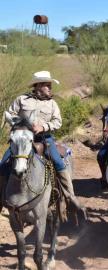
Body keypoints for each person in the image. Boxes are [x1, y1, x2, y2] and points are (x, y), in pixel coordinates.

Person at [0, 71, 86, 216]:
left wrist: (43, 127)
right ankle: (1, 198)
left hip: (44, 139)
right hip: (22, 139)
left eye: (49, 85)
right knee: (3, 163)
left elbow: (57, 122)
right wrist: (21, 124)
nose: (49, 88)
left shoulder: (52, 103)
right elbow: (10, 113)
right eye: (47, 85)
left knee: (59, 162)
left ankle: (71, 198)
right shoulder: (22, 99)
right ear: (38, 86)